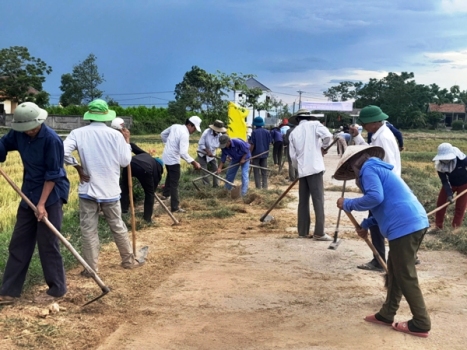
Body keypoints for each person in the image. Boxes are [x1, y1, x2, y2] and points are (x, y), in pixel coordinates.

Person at [335, 145, 431, 338]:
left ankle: (421, 322)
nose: (352, 172)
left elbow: (375, 197)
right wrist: (366, 224)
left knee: (405, 275)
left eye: (351, 167)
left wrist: (349, 204)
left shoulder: (369, 169)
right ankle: (386, 314)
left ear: (356, 162)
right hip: (411, 222)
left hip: (405, 226)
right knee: (394, 271)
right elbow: (382, 205)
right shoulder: (377, 169)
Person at [63, 99, 143, 276]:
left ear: (89, 116)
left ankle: (91, 269)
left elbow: (62, 152)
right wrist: (127, 142)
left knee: (89, 230)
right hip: (110, 190)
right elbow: (125, 161)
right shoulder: (116, 135)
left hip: (88, 189)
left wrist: (77, 166)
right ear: (106, 116)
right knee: (117, 225)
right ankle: (128, 260)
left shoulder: (77, 133)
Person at [0, 102, 69, 305]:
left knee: (47, 241)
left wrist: (42, 205)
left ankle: (57, 288)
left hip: (51, 193)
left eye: (31, 128)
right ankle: (9, 291)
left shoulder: (51, 140)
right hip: (29, 190)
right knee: (19, 242)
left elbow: (53, 175)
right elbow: (4, 144)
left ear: (39, 121)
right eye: (25, 129)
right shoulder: (19, 133)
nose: (28, 132)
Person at [349, 105, 401, 271]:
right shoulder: (379, 135)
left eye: (364, 124)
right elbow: (368, 152)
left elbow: (390, 166)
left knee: (378, 224)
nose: (363, 127)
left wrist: (379, 189)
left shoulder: (383, 138)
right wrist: (357, 137)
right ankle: (382, 258)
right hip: (383, 187)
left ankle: (380, 260)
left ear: (373, 122)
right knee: (377, 223)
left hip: (384, 188)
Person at [288, 109, 333, 240]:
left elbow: (293, 157)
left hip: (302, 171)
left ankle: (302, 231)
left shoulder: (293, 132)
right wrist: (323, 147)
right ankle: (319, 232)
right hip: (315, 168)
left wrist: (299, 168)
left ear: (297, 120)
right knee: (318, 200)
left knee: (303, 201)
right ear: (309, 117)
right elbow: (328, 136)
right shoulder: (315, 125)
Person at [111, 118, 164, 224]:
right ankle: (147, 219)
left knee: (124, 187)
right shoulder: (157, 166)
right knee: (149, 194)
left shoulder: (130, 146)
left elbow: (139, 151)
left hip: (129, 164)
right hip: (141, 167)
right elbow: (153, 186)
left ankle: (124, 211)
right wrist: (152, 188)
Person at [160, 116, 202, 212]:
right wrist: (194, 163)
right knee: (175, 183)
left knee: (170, 175)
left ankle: (165, 195)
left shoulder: (175, 126)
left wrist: (169, 145)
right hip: (173, 159)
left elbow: (162, 134)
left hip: (166, 156)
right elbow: (183, 153)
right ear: (190, 125)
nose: (194, 131)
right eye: (194, 128)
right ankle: (175, 207)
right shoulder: (184, 134)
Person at [431, 143, 467, 231]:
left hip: (464, 184)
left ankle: (455, 228)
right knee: (441, 203)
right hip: (450, 184)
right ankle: (438, 226)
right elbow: (444, 181)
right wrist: (449, 194)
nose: (445, 160)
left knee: (460, 206)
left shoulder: (462, 160)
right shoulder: (440, 165)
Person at [196, 120, 226, 187]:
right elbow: (201, 144)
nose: (218, 132)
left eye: (219, 131)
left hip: (212, 154)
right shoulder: (206, 132)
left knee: (216, 169)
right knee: (204, 169)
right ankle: (207, 186)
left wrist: (226, 155)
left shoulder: (220, 136)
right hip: (202, 153)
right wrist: (207, 151)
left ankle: (216, 185)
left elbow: (222, 146)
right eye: (217, 130)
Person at [249, 116, 271, 189]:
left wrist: (249, 154)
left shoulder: (254, 132)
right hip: (264, 154)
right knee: (264, 171)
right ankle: (265, 187)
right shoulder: (267, 132)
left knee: (256, 172)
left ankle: (258, 187)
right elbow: (269, 143)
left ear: (255, 124)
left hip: (256, 155)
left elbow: (252, 144)